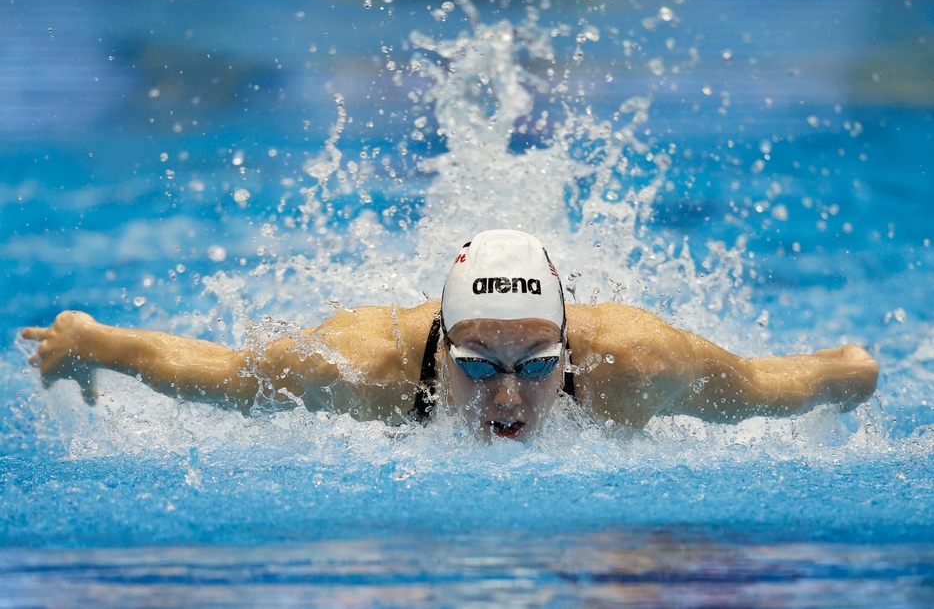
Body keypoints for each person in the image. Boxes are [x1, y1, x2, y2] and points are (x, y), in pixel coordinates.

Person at [22, 230, 879, 442]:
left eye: (537, 365)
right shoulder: (358, 366)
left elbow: (771, 387)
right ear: (438, 348)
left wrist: (850, 371)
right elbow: (219, 373)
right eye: (477, 366)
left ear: (570, 349)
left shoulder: (641, 363)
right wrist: (95, 341)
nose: (508, 396)